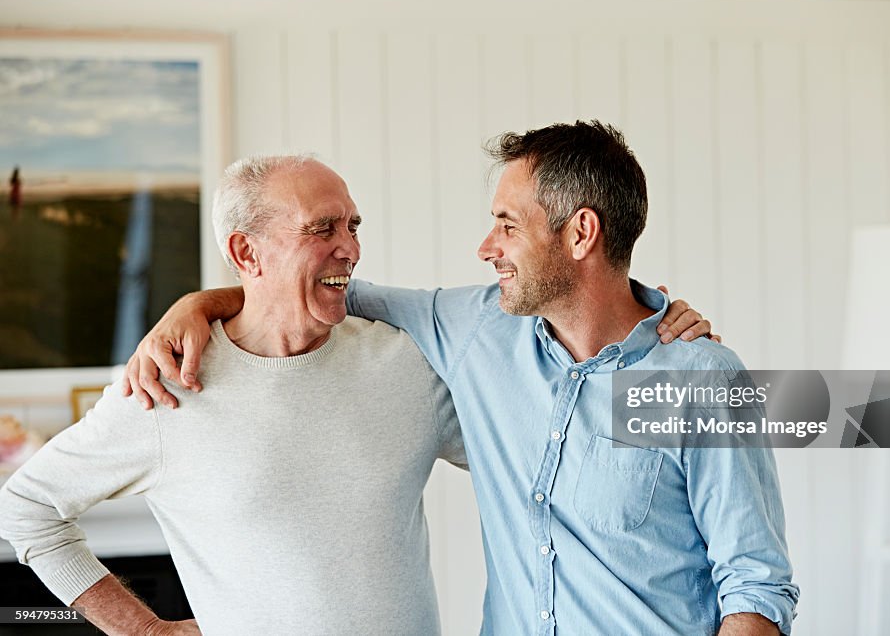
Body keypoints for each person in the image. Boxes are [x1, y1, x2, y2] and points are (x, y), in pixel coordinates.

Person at [127, 122, 788, 635]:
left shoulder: (698, 378)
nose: (486, 247)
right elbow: (321, 290)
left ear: (581, 233)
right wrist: (200, 305)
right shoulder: (476, 332)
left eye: (507, 224)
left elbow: (755, 584)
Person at [0, 155, 468, 635]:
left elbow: (532, 462)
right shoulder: (164, 387)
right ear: (246, 253)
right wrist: (144, 630)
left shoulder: (408, 365)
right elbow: (26, 508)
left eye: (353, 226)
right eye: (323, 229)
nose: (350, 248)